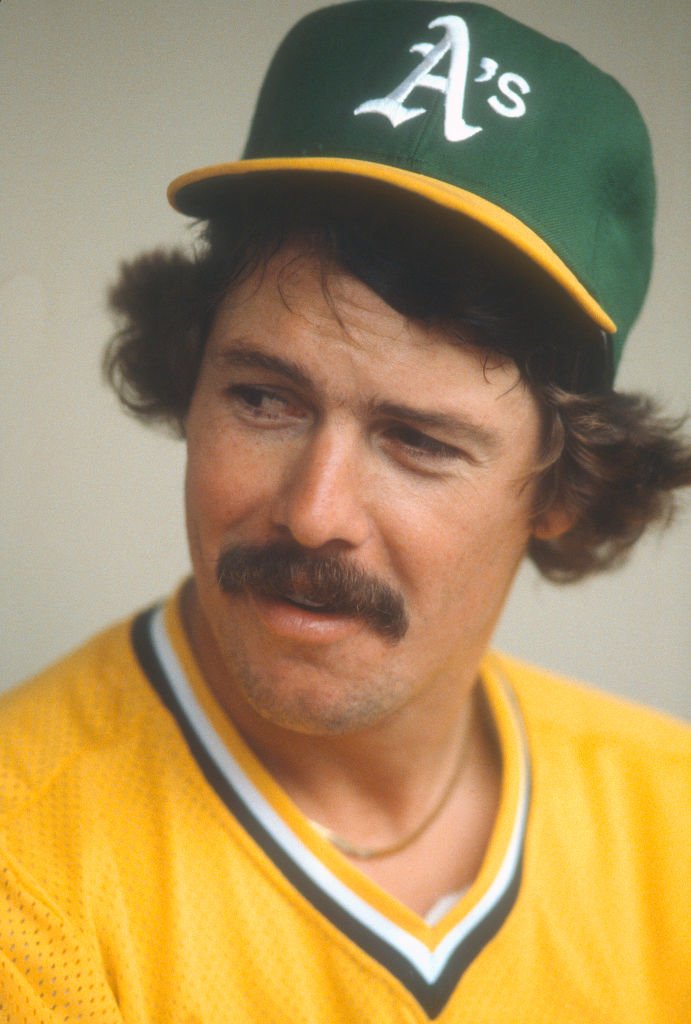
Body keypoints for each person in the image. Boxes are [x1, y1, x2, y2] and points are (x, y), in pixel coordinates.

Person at [1, 2, 689, 1021]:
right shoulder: (29, 874)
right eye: (264, 399)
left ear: (560, 487)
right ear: (188, 379)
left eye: (417, 440)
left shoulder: (671, 816)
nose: (314, 512)